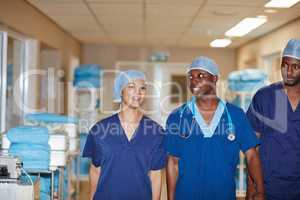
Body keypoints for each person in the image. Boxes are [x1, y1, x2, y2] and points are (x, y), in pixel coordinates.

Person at [164, 56, 265, 200]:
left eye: (200, 75)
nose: (194, 81)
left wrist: (260, 190)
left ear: (215, 78)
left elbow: (251, 155)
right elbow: (172, 163)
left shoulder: (235, 115)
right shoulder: (177, 117)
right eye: (190, 77)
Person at [82, 70, 166, 200]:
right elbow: (95, 171)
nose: (138, 92)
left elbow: (155, 176)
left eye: (142, 88)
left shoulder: (156, 132)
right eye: (131, 87)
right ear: (120, 91)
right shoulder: (99, 130)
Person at [247, 39, 300, 200]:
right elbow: (251, 148)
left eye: (295, 67)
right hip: (268, 188)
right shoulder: (264, 97)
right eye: (284, 65)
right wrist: (253, 188)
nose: (288, 71)